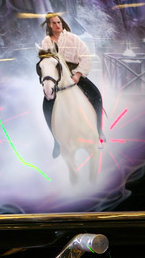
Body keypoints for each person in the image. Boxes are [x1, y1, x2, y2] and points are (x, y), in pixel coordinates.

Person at [39, 13, 104, 157]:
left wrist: (78, 75)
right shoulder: (46, 42)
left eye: (59, 22)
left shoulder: (73, 39)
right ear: (49, 25)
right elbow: (47, 61)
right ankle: (56, 142)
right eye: (54, 23)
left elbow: (85, 57)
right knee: (46, 105)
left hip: (75, 74)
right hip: (58, 76)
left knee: (96, 95)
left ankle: (99, 132)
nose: (58, 25)